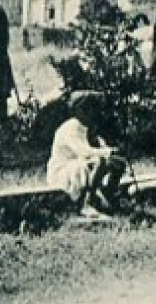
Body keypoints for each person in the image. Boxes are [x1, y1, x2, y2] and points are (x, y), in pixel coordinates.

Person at [47, 91, 127, 219]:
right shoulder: (71, 127)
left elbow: (101, 146)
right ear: (79, 110)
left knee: (117, 163)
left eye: (94, 108)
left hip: (79, 167)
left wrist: (114, 153)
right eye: (89, 109)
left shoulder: (88, 128)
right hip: (64, 172)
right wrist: (109, 152)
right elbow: (83, 152)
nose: (93, 113)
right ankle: (86, 204)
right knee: (99, 161)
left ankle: (108, 196)